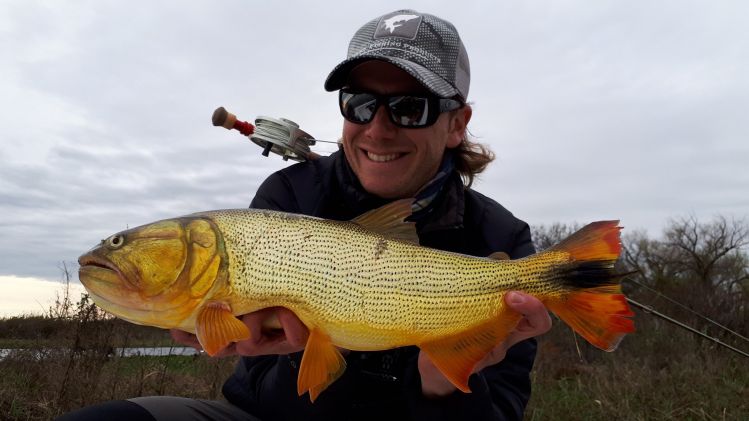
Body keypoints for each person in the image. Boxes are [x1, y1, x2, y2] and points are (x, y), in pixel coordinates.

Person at [58, 9, 551, 421]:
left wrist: (443, 385)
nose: (377, 129)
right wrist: (293, 357)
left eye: (411, 107)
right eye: (359, 104)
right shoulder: (288, 194)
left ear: (456, 125)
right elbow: (260, 392)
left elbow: (503, 408)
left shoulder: (502, 239)